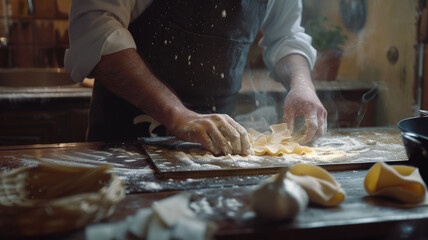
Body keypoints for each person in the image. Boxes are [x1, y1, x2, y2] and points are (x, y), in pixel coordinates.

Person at [65, 0, 327, 156]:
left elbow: (286, 37)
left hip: (220, 153)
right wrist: (178, 114)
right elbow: (96, 30)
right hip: (124, 149)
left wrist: (302, 85)